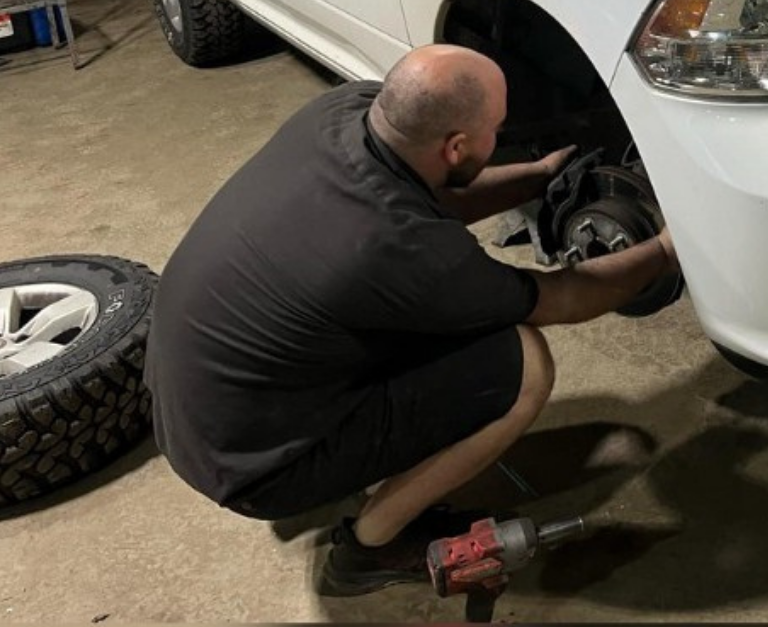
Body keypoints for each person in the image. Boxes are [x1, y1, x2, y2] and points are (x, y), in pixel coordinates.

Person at [144, 44, 678, 596]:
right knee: (524, 363)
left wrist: (540, 176)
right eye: (496, 129)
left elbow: (431, 198)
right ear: (456, 147)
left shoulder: (343, 111)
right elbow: (561, 299)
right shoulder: (403, 249)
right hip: (257, 471)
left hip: (196, 414)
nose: (501, 135)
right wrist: (666, 249)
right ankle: (372, 547)